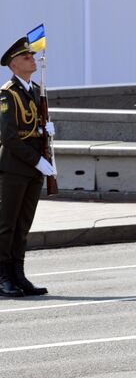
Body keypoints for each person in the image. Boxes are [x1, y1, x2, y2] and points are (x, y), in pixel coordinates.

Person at [0, 37, 55, 298]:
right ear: (13, 64)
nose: (32, 59)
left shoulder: (34, 90)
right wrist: (37, 161)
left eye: (31, 56)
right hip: (13, 169)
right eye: (26, 57)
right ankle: (3, 277)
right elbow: (9, 137)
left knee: (23, 226)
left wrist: (46, 130)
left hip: (33, 170)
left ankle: (18, 275)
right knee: (6, 225)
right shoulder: (6, 94)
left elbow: (34, 126)